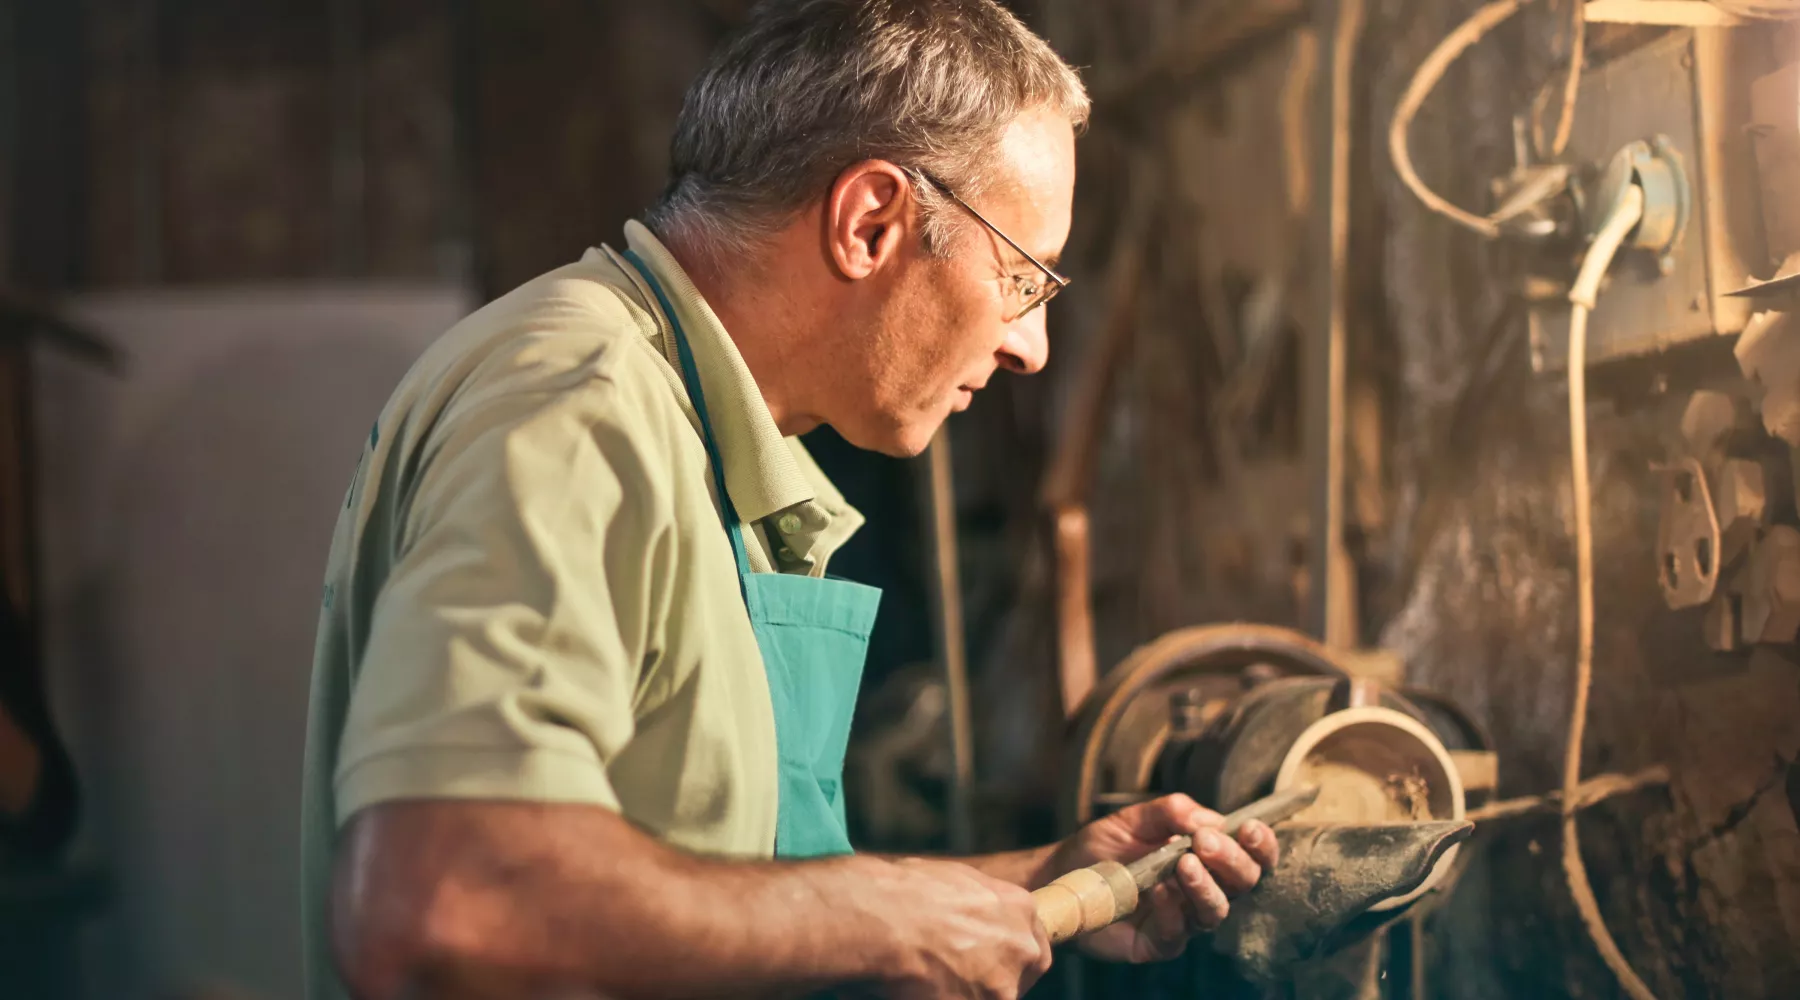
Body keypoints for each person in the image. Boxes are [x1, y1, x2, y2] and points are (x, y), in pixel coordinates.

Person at [300, 2, 1277, 998]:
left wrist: (1028, 886)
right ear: (872, 222)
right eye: (1022, 277)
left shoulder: (685, 422)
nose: (1030, 346)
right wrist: (880, 917)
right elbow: (441, 899)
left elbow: (687, 888)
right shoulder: (584, 408)